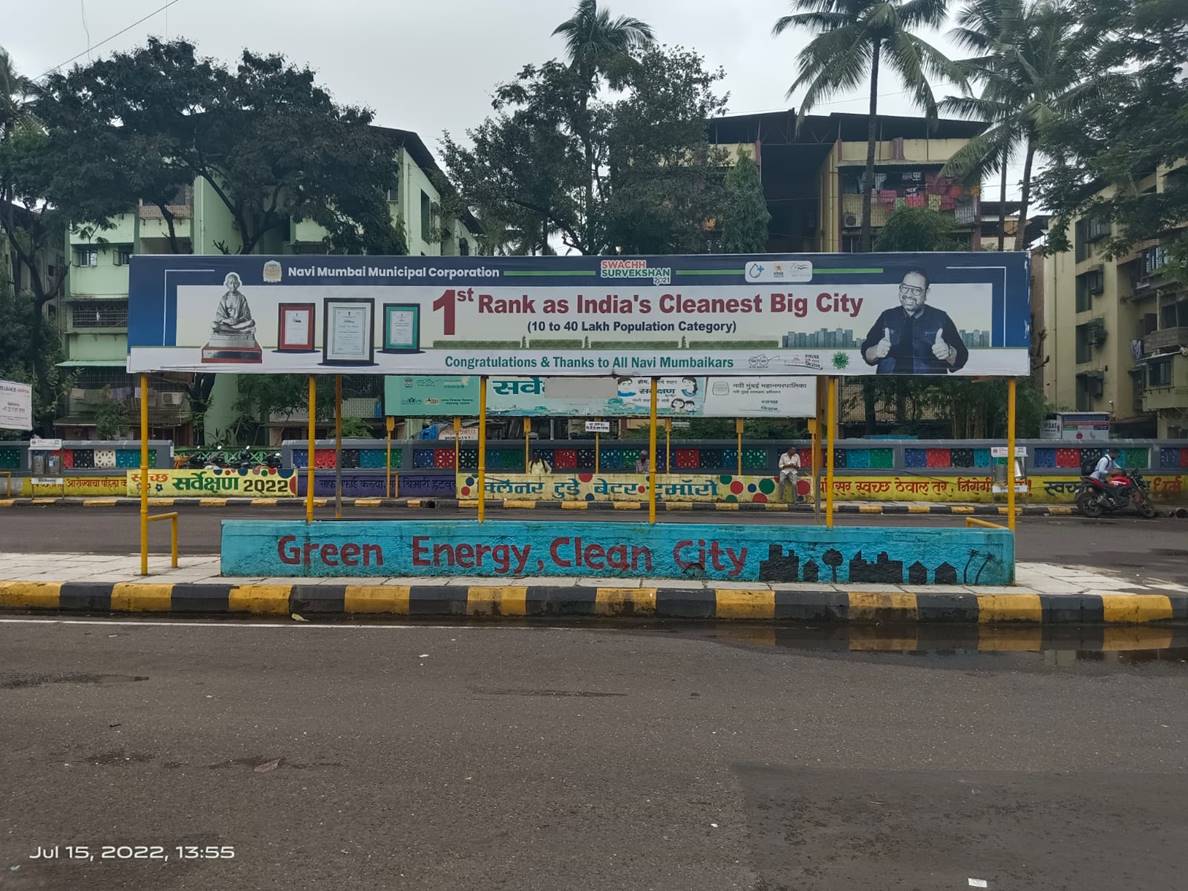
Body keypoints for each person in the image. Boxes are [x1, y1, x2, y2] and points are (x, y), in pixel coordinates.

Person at [861, 269, 969, 374]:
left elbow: (961, 359)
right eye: (905, 288)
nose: (909, 294)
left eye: (916, 290)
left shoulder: (941, 318)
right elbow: (866, 353)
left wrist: (949, 352)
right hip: (889, 383)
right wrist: (876, 351)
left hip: (928, 384)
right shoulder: (886, 316)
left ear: (926, 292)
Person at [211, 272, 255, 338]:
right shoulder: (224, 298)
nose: (233, 286)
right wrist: (226, 320)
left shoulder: (242, 298)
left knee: (251, 322)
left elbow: (247, 315)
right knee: (214, 325)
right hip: (227, 325)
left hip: (239, 324)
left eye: (235, 283)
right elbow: (219, 316)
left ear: (238, 284)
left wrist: (238, 320)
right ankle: (239, 331)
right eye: (231, 283)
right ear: (227, 285)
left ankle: (231, 331)